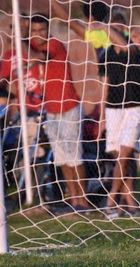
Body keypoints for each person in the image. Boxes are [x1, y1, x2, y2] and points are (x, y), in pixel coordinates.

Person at [29, 14, 90, 211]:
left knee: (74, 157)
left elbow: (41, 56)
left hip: (68, 107)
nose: (38, 34)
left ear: (48, 31)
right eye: (34, 31)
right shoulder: (31, 46)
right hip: (51, 110)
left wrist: (23, 47)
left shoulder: (54, 45)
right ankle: (74, 199)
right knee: (61, 158)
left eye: (41, 30)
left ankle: (83, 199)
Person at [99, 10, 140, 218]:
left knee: (124, 156)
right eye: (112, 26)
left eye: (118, 27)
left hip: (135, 106)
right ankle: (130, 202)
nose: (115, 31)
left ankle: (112, 199)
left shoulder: (133, 48)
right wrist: (101, 117)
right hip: (113, 109)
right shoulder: (106, 54)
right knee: (121, 158)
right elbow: (104, 85)